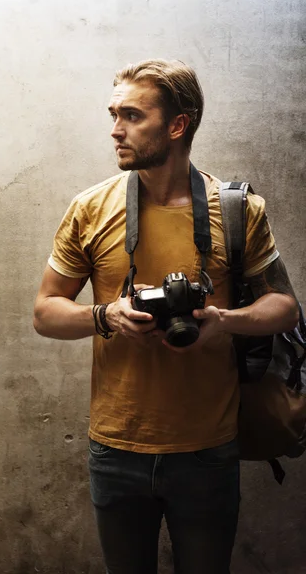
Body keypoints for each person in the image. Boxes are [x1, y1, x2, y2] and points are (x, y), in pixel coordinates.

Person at [33, 59, 298, 574]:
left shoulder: (239, 210)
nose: (115, 129)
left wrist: (223, 321)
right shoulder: (90, 208)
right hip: (116, 446)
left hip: (209, 448)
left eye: (132, 115)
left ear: (178, 125)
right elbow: (45, 313)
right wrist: (107, 316)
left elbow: (284, 307)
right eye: (113, 114)